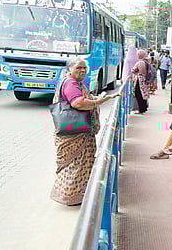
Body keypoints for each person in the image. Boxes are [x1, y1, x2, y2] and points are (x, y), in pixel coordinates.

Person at [50, 57, 120, 206]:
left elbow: (82, 98)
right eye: (78, 68)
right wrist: (98, 102)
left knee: (79, 165)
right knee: (75, 165)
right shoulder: (70, 83)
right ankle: (71, 197)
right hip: (74, 134)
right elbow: (78, 103)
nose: (82, 70)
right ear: (69, 69)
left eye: (84, 68)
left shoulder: (75, 83)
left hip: (77, 132)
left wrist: (100, 98)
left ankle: (77, 196)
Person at [132, 49, 151, 114]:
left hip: (140, 81)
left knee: (139, 94)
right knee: (143, 94)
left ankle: (141, 109)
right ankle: (144, 108)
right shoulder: (146, 62)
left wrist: (134, 70)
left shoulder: (140, 62)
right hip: (144, 80)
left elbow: (135, 70)